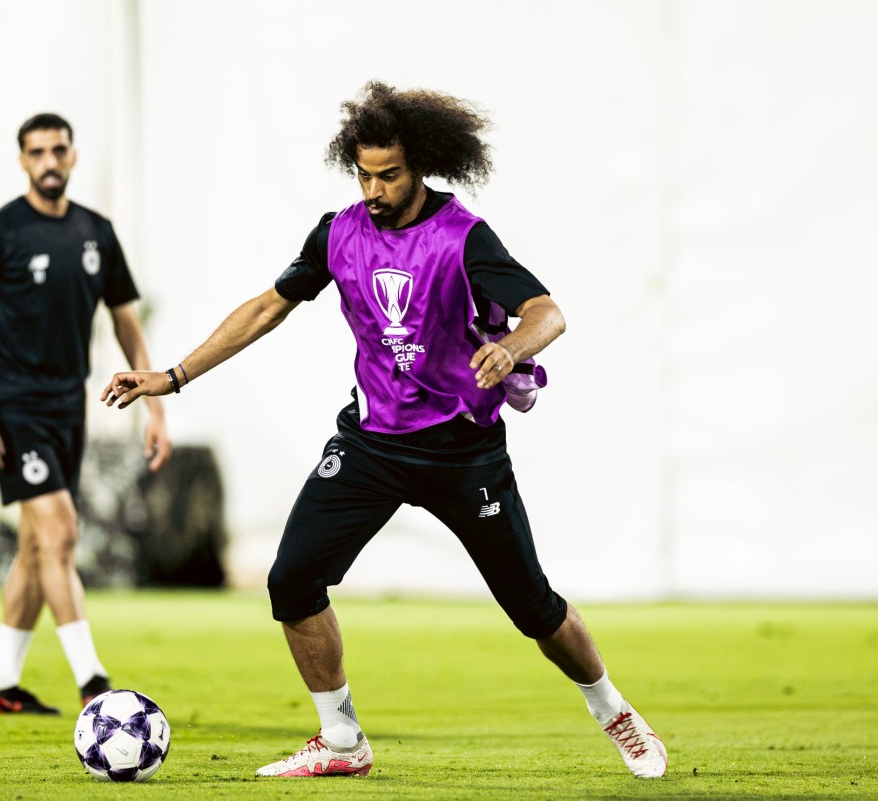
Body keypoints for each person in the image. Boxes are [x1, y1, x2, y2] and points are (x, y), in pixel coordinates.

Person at [100, 81, 667, 778]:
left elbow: (548, 312)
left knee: (534, 608)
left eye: (389, 174)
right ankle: (341, 741)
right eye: (364, 173)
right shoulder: (338, 232)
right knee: (292, 580)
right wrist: (173, 374)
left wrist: (512, 346)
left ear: (422, 164)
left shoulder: (463, 237)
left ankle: (613, 709)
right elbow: (265, 308)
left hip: (464, 451)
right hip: (372, 444)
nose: (373, 188)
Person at [0, 113, 171, 715]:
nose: (49, 161)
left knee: (37, 547)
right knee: (62, 532)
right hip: (11, 408)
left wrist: (154, 408)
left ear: (72, 157)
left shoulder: (96, 233)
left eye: (59, 150)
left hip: (69, 408)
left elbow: (126, 319)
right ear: (22, 160)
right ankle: (94, 682)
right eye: (37, 152)